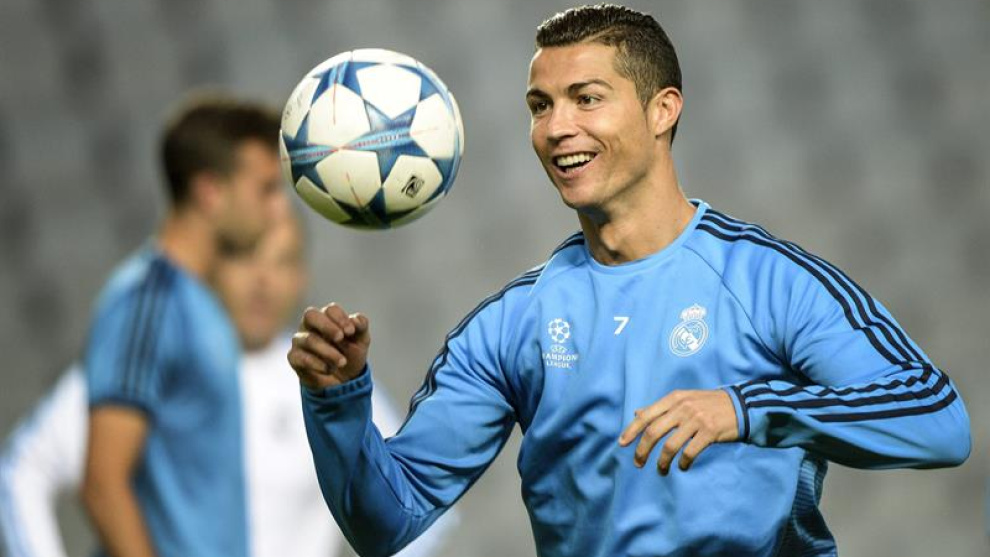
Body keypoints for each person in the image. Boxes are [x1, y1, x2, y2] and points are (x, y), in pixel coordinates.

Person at [287, 4, 971, 557]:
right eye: (540, 105)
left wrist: (744, 410)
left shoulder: (769, 284)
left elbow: (939, 421)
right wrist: (337, 399)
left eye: (586, 99)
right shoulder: (512, 324)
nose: (557, 128)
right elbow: (387, 522)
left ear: (662, 109)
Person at [0, 212, 455, 557]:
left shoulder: (330, 382)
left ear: (302, 275)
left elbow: (417, 513)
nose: (262, 280)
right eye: (245, 256)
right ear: (211, 265)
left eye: (282, 261)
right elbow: (23, 473)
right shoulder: (141, 362)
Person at [81, 93, 285, 557]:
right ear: (210, 191)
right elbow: (102, 484)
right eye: (266, 190)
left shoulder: (201, 303)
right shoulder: (147, 301)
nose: (277, 209)